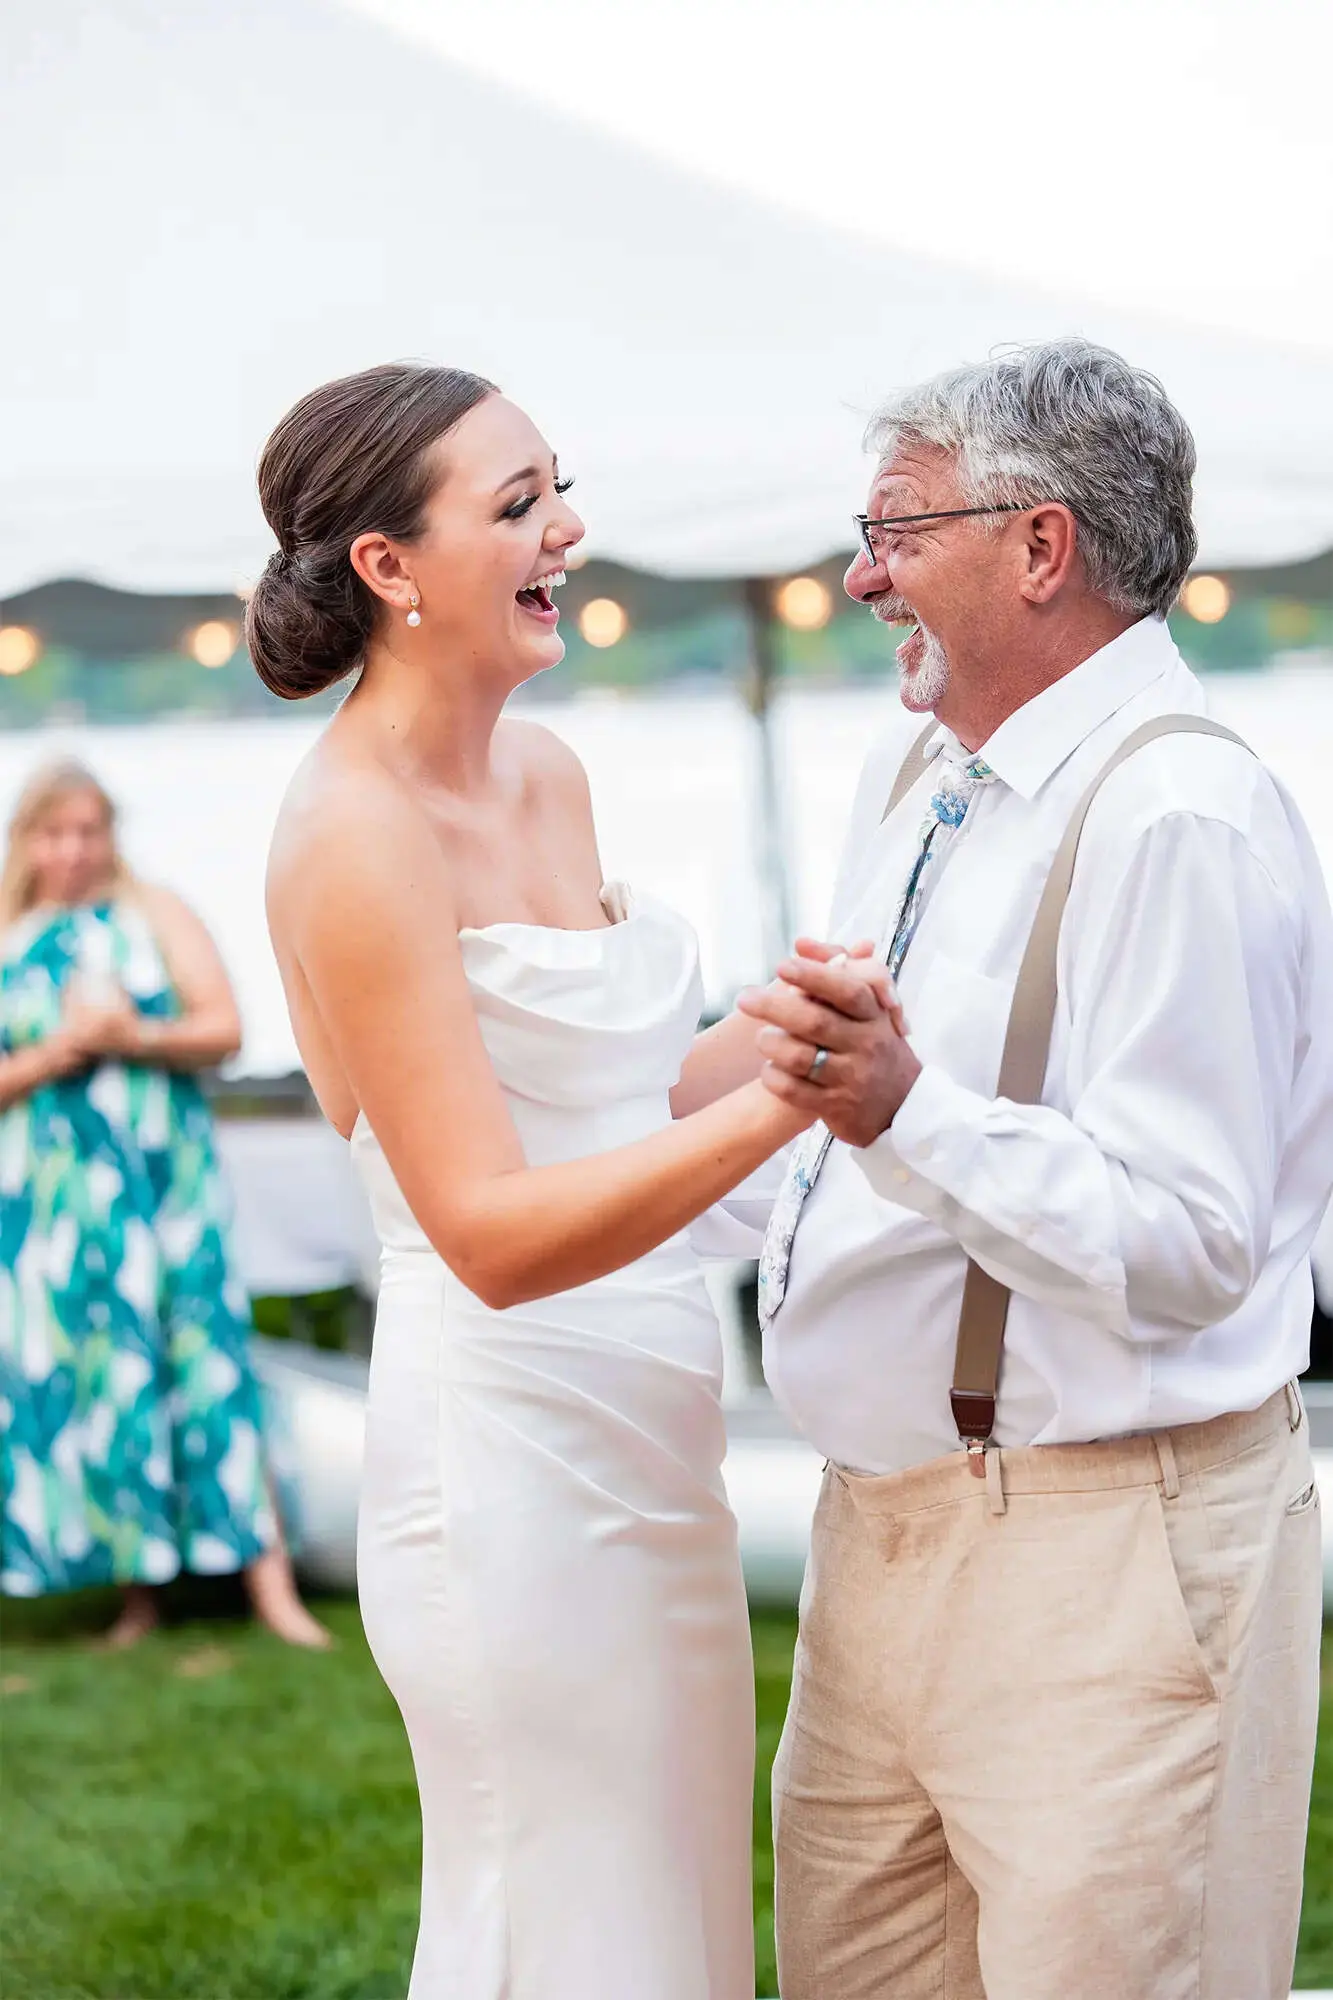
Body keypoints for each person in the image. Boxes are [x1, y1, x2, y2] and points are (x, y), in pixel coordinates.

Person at [728, 338, 1333, 2000]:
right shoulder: (910, 773)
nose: (860, 576)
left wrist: (901, 1109)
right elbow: (832, 1131)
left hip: (1105, 1562)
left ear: (1038, 546)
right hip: (875, 1546)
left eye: (895, 529)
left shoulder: (1178, 820)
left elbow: (1196, 1239)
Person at [252, 362, 814, 2000]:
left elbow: (623, 1101)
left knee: (679, 1912)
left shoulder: (550, 776)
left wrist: (809, 1023)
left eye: (553, 489)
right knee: (566, 1927)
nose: (567, 529)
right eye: (516, 507)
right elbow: (488, 1233)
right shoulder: (352, 834)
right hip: (508, 1473)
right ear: (388, 567)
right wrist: (786, 1102)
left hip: (655, 1438)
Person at [0, 760, 329, 1650]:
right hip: (56, 1210)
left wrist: (130, 1036)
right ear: (27, 839)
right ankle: (138, 1592)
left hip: (164, 1185)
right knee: (105, 1378)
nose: (73, 850)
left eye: (89, 831)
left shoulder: (157, 914)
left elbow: (223, 1030)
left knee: (206, 1358)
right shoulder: (9, 934)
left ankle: (270, 1585)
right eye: (55, 833)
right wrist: (57, 1054)